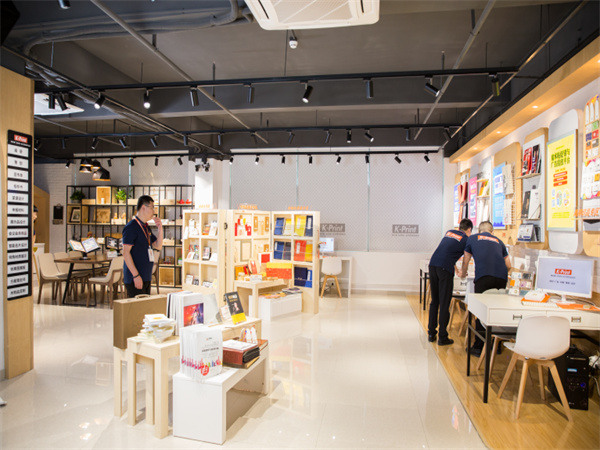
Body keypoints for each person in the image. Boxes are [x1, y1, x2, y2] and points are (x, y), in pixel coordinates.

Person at [459, 220, 511, 355]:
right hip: (501, 278)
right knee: (497, 311)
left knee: (481, 311)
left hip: (483, 277)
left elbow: (466, 260)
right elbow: (509, 265)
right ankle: (496, 345)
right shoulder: (499, 242)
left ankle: (478, 347)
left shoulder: (472, 238)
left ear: (479, 231)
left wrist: (463, 273)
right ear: (492, 232)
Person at [427, 218, 473, 346]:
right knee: (444, 302)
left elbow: (447, 252)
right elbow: (466, 260)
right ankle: (442, 336)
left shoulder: (449, 232)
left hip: (433, 265)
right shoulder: (466, 240)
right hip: (444, 269)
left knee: (435, 301)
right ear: (469, 230)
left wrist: (456, 270)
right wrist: (462, 273)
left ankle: (431, 333)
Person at [122, 195, 163, 297]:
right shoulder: (131, 227)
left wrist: (160, 229)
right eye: (152, 207)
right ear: (143, 207)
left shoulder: (145, 227)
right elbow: (125, 252)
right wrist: (135, 275)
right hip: (135, 278)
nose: (154, 211)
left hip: (146, 276)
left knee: (145, 306)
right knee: (138, 306)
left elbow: (157, 246)